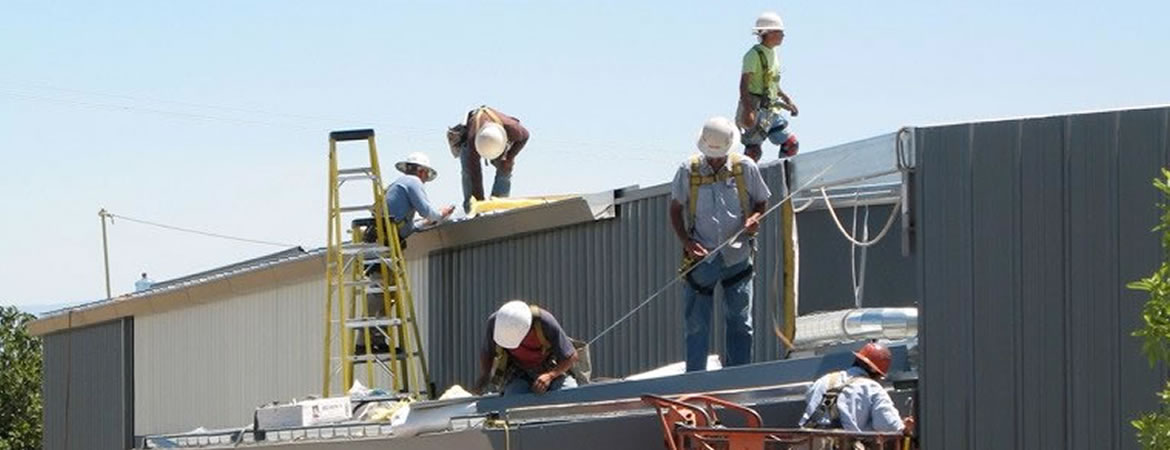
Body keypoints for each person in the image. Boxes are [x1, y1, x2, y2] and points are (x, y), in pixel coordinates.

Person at [669, 117, 771, 372]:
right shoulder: (687, 171)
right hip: (701, 260)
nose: (715, 160)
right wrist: (687, 242)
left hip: (737, 257)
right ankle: (695, 381)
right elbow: (674, 210)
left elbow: (761, 202)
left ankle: (737, 378)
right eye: (710, 155)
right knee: (696, 326)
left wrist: (754, 219)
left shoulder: (745, 168)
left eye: (719, 155)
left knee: (740, 322)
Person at [798, 342, 915, 436]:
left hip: (809, 443)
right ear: (875, 371)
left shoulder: (824, 380)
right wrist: (903, 427)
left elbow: (809, 399)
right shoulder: (872, 388)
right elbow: (888, 426)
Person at [475, 300, 579, 395]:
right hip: (516, 368)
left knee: (568, 392)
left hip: (547, 365)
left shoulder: (544, 322)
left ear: (529, 328)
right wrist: (485, 376)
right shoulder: (496, 323)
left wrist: (550, 376)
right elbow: (487, 352)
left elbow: (571, 356)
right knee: (513, 398)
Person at [736, 11, 799, 162]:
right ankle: (742, 183)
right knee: (753, 152)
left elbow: (772, 83)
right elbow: (743, 85)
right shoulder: (753, 55)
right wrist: (748, 110)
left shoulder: (773, 54)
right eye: (779, 32)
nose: (783, 35)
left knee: (791, 145)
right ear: (768, 33)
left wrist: (787, 100)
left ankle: (784, 181)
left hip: (771, 111)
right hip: (756, 109)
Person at [446, 106, 530, 212]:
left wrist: (509, 157)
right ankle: (470, 209)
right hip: (470, 140)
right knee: (468, 173)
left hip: (497, 138)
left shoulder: (513, 128)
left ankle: (500, 206)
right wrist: (479, 206)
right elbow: (475, 175)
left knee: (506, 166)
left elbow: (526, 136)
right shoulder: (473, 142)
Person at [384, 152, 454, 240]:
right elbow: (426, 212)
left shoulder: (397, 183)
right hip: (393, 235)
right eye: (427, 174)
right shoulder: (414, 181)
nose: (425, 180)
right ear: (421, 171)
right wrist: (441, 214)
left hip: (385, 232)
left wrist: (425, 222)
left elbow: (406, 226)